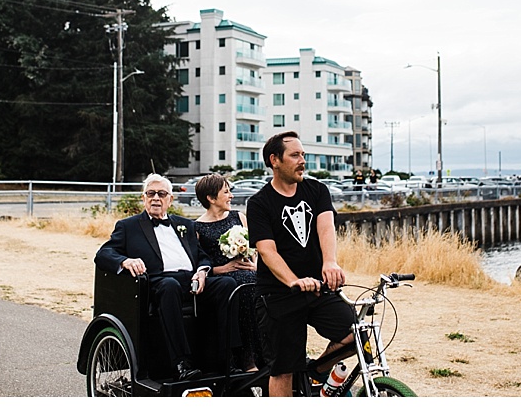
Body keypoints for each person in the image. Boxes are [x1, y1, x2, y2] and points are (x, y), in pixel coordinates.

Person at [94, 174, 240, 381]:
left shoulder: (185, 225)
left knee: (227, 284)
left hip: (192, 280)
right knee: (169, 286)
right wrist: (125, 261)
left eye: (161, 194)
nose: (156, 198)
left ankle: (225, 358)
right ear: (143, 198)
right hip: (157, 283)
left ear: (170, 199)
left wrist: (202, 271)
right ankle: (181, 363)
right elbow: (104, 254)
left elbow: (202, 257)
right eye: (151, 193)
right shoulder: (128, 226)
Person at [246, 131, 355, 397]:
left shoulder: (316, 190)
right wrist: (293, 280)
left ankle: (315, 372)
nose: (302, 160)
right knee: (283, 369)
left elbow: (326, 228)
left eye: (303, 154)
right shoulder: (259, 203)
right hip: (278, 294)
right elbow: (266, 251)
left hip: (318, 288)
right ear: (274, 160)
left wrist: (330, 262)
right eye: (295, 155)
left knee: (355, 333)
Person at [194, 174, 261, 372]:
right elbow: (197, 264)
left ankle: (268, 349)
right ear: (211, 198)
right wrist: (222, 269)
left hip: (248, 272)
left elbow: (256, 247)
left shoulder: (238, 217)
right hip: (220, 279)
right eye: (226, 192)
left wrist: (255, 264)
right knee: (244, 284)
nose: (231, 196)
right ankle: (246, 357)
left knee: (257, 280)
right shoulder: (197, 227)